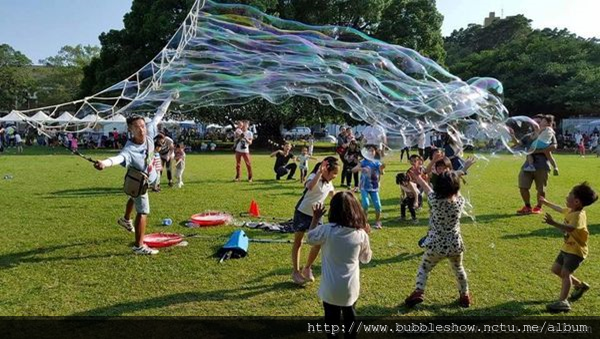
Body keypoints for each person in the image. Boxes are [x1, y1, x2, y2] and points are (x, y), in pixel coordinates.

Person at [93, 92, 177, 255]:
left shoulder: (151, 131)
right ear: (130, 130)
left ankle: (125, 219)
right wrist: (104, 163)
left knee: (133, 197)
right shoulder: (130, 149)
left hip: (149, 179)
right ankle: (139, 246)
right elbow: (118, 158)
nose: (141, 129)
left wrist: (170, 98)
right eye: (137, 127)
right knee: (143, 211)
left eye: (142, 126)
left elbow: (159, 113)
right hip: (139, 182)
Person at [306, 192, 372, 339]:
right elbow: (366, 259)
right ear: (356, 210)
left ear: (333, 210)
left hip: (330, 288)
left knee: (331, 321)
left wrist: (315, 218)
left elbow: (310, 238)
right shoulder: (360, 235)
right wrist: (367, 237)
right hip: (350, 287)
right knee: (350, 317)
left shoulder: (327, 230)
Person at [405, 171, 471, 308]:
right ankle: (465, 295)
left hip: (436, 245)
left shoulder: (435, 200)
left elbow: (428, 190)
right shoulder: (460, 202)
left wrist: (418, 178)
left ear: (438, 187)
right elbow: (454, 191)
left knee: (424, 268)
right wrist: (458, 175)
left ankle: (419, 291)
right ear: (456, 187)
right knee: (459, 268)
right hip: (455, 244)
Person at [540, 182, 597, 312]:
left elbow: (571, 228)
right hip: (567, 248)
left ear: (576, 201)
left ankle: (563, 302)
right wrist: (546, 202)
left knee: (566, 274)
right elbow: (559, 209)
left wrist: (553, 223)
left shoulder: (579, 216)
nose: (567, 195)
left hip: (576, 251)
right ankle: (580, 286)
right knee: (556, 270)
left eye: (570, 194)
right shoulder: (571, 211)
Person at [291, 157, 339, 285]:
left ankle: (307, 268)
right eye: (334, 173)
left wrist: (348, 195)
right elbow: (310, 186)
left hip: (317, 215)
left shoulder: (329, 183)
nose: (335, 176)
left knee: (318, 243)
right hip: (302, 212)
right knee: (298, 242)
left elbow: (333, 195)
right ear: (325, 170)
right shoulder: (313, 175)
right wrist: (319, 172)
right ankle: (295, 272)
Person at [517, 115, 557, 215]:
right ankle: (527, 206)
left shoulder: (547, 132)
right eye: (534, 122)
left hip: (542, 165)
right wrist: (512, 135)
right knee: (523, 186)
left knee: (541, 189)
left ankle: (538, 207)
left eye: (539, 122)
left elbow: (554, 146)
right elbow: (518, 143)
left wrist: (538, 151)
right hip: (527, 166)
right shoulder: (528, 136)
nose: (536, 124)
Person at [353, 145, 385, 229]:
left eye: (372, 151)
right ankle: (364, 222)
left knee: (378, 205)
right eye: (369, 151)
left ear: (375, 152)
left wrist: (382, 168)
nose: (371, 152)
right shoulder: (363, 162)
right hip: (364, 187)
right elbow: (354, 169)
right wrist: (361, 169)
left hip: (374, 187)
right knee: (365, 204)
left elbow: (382, 173)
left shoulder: (377, 162)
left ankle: (378, 222)